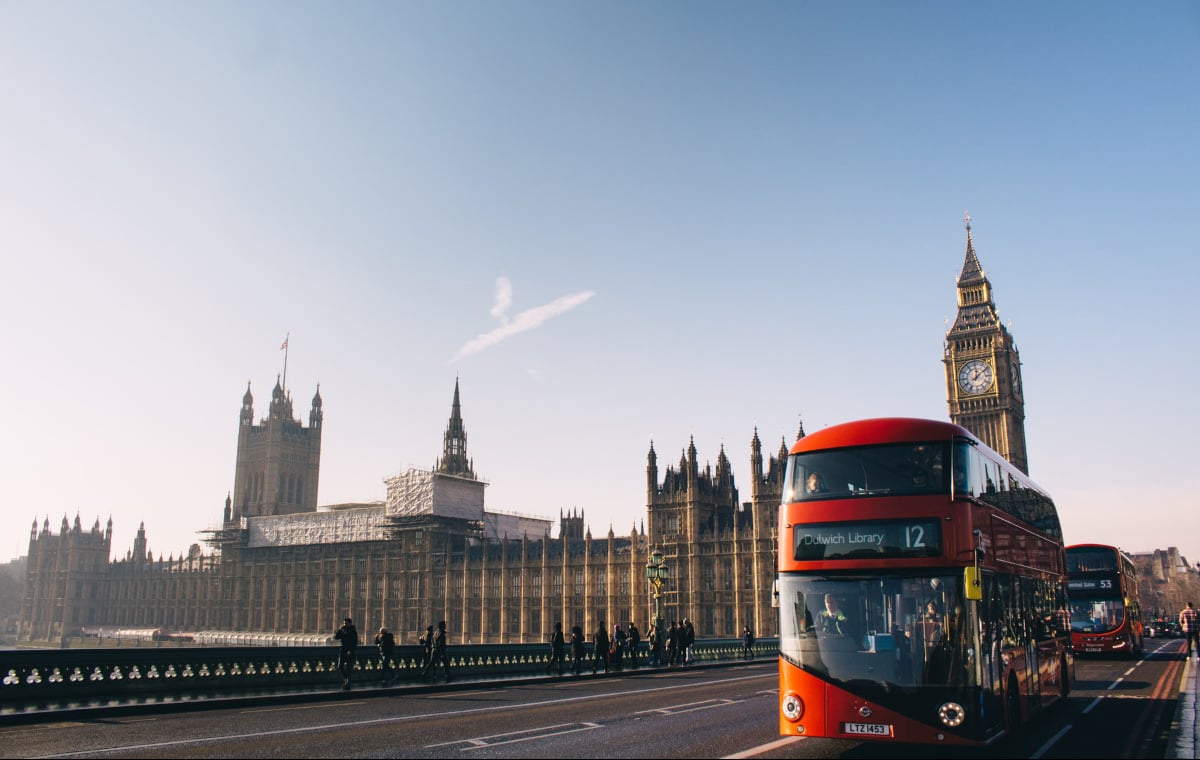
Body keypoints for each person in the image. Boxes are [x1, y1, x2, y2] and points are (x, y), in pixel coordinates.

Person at [334, 617, 358, 690]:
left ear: (350, 623)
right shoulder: (343, 630)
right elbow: (336, 637)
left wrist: (350, 650)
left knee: (349, 668)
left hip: (350, 651)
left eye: (346, 623)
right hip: (343, 650)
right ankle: (346, 679)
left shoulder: (353, 631)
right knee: (340, 666)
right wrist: (340, 630)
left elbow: (354, 642)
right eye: (344, 623)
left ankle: (348, 683)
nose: (344, 624)